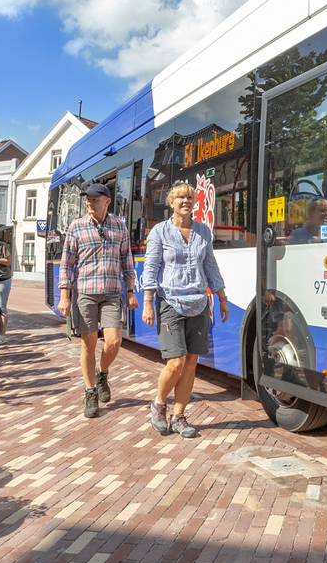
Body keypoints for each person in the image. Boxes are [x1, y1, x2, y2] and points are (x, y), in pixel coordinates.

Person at [141, 182, 228, 438]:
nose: (185, 201)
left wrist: (222, 297)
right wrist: (147, 303)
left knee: (191, 363)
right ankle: (159, 404)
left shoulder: (203, 231)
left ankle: (178, 416)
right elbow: (151, 267)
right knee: (176, 362)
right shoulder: (159, 232)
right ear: (171, 203)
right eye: (180, 198)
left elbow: (210, 266)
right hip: (169, 301)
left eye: (189, 197)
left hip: (199, 303)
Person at [58, 182, 139, 418]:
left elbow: (127, 261)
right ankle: (90, 391)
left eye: (94, 199)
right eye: (88, 199)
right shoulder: (77, 227)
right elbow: (66, 264)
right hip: (84, 292)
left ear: (107, 202)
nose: (89, 203)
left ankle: (102, 372)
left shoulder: (119, 227)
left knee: (114, 341)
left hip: (112, 291)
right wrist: (64, 296)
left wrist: (131, 291)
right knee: (89, 343)